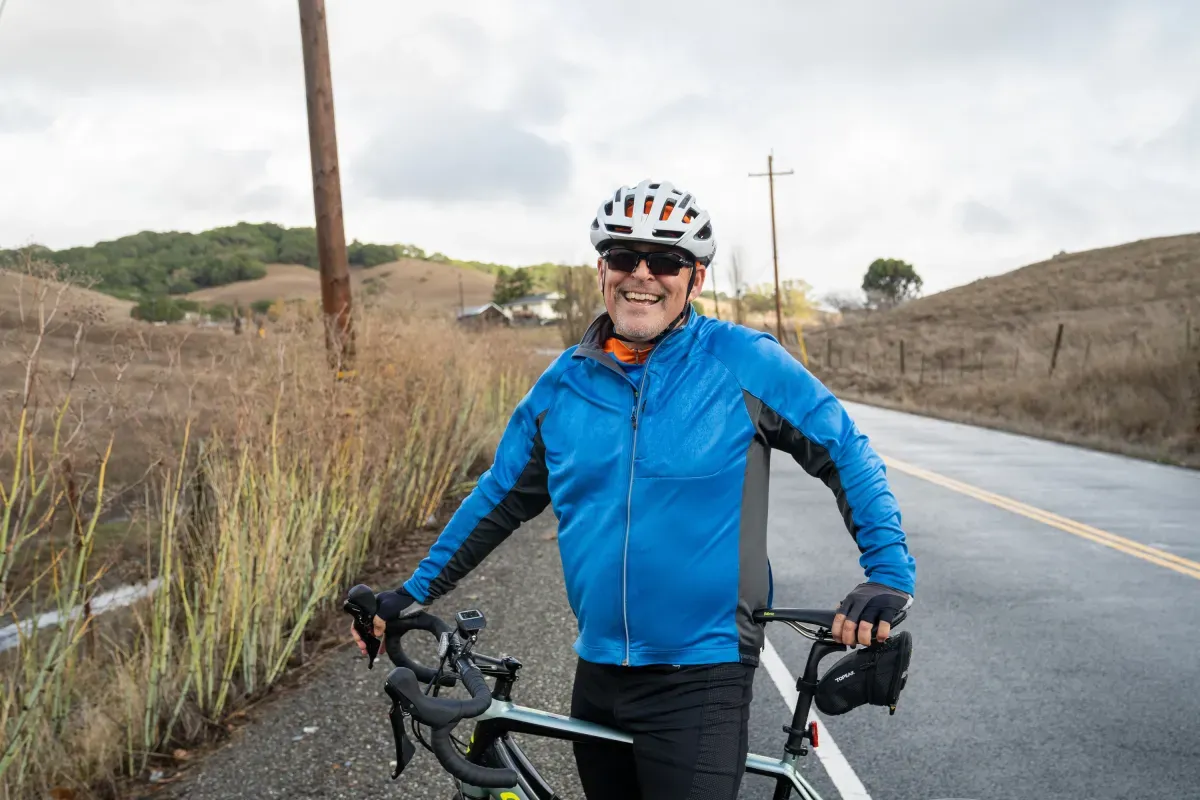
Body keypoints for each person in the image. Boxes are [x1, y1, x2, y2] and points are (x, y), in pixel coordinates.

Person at [353, 179, 916, 800]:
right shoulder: (562, 385)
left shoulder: (743, 361)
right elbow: (500, 497)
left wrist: (888, 571)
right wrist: (409, 592)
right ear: (602, 270)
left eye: (666, 260)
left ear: (694, 279)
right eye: (624, 257)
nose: (641, 275)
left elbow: (847, 452)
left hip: (702, 673)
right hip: (598, 672)